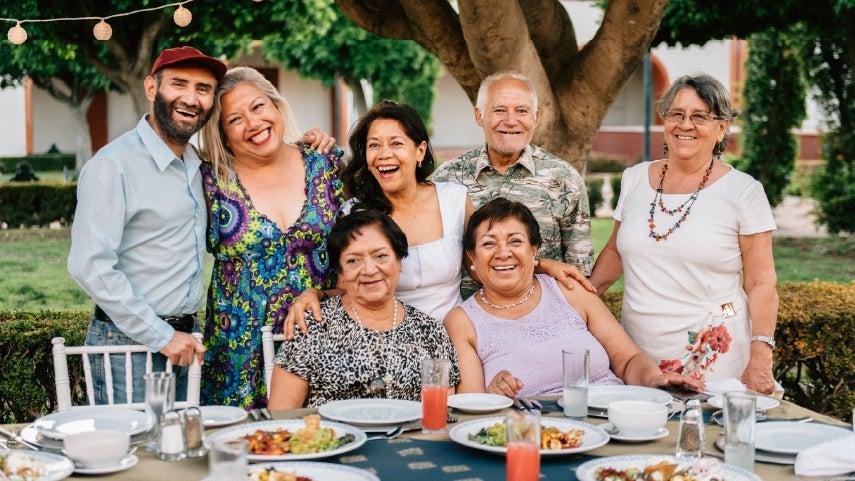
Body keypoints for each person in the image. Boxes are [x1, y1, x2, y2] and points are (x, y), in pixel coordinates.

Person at [285, 101, 592, 338]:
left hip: (454, 338)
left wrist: (545, 265)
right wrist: (314, 294)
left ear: (419, 151)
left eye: (396, 143)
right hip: (384, 339)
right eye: (374, 145)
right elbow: (347, 288)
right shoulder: (356, 214)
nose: (384, 154)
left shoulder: (454, 199)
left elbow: (483, 259)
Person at [589, 74, 778, 394]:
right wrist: (581, 304)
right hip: (639, 352)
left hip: (713, 351)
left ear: (721, 128)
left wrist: (761, 357)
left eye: (700, 116)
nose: (685, 124)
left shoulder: (744, 192)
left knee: (706, 435)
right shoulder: (634, 179)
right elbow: (614, 252)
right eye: (676, 114)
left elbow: (761, 283)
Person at [68, 46, 226, 403]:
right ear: (152, 88)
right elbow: (89, 264)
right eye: (179, 84)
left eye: (203, 89)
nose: (191, 98)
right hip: (129, 344)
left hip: (187, 339)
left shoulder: (196, 164)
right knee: (137, 453)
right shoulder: (114, 165)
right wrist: (162, 336)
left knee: (182, 454)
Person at [445, 198, 703, 398]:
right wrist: (494, 394)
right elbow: (471, 403)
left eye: (515, 241)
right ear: (472, 258)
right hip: (530, 433)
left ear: (534, 251)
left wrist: (653, 379)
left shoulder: (569, 290)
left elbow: (629, 359)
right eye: (489, 244)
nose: (503, 253)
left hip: (608, 413)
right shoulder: (463, 320)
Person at [198, 66, 342, 408]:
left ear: (276, 105)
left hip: (319, 336)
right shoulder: (211, 181)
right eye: (235, 119)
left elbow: (360, 243)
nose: (253, 123)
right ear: (223, 133)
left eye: (258, 106)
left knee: (324, 439)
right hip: (239, 351)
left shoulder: (326, 164)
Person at [268, 210, 460, 409]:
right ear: (341, 271)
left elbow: (439, 414)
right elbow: (282, 415)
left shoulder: (430, 332)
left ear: (399, 261)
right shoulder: (314, 325)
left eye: (380, 256)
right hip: (334, 438)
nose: (369, 270)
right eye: (353, 261)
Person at [431, 71, 594, 298]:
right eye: (499, 110)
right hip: (467, 320)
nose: (510, 120)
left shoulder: (564, 178)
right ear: (479, 116)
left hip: (542, 318)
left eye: (521, 111)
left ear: (535, 118)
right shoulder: (446, 179)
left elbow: (579, 270)